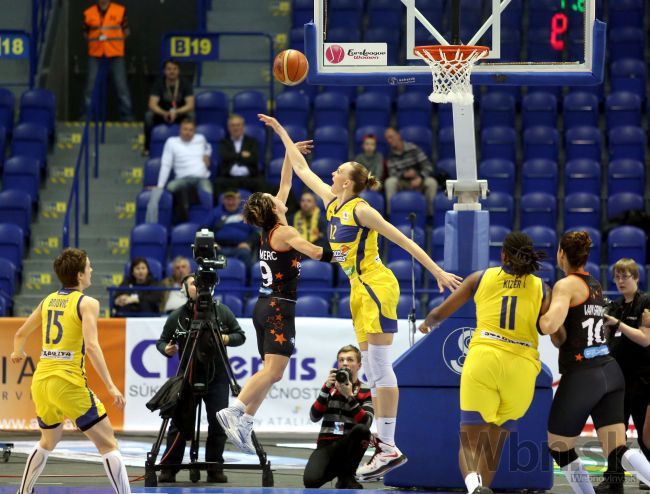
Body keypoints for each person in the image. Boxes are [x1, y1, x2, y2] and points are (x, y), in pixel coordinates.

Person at [260, 113, 462, 481]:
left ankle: (387, 444)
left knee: (380, 366)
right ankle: (385, 444)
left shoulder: (361, 210)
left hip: (376, 284)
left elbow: (403, 240)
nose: (332, 174)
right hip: (359, 287)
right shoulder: (331, 201)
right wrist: (280, 131)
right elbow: (302, 168)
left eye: (338, 171)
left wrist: (436, 270)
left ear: (349, 182)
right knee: (372, 368)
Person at [216, 137, 343, 455]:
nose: (279, 197)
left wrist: (291, 154)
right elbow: (315, 252)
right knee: (272, 371)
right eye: (274, 199)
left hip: (265, 305)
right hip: (278, 308)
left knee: (273, 372)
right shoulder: (285, 232)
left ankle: (245, 420)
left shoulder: (269, 229)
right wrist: (345, 253)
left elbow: (286, 182)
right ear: (274, 209)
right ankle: (235, 410)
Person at [419, 232, 550, 494]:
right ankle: (482, 489)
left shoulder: (480, 278)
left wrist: (426, 325)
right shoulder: (542, 287)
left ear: (503, 255)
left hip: (484, 358)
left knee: (469, 441)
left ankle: (472, 487)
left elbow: (438, 313)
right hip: (522, 366)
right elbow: (551, 329)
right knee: (493, 443)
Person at [11, 248, 130, 494]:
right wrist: (110, 385)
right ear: (79, 275)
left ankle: (23, 492)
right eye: (89, 266)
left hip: (42, 382)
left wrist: (16, 352)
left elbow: (20, 334)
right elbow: (93, 346)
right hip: (67, 382)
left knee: (48, 441)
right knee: (109, 444)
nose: (92, 270)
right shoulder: (87, 303)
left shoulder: (48, 300)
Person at [538, 231, 650, 494]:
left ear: (562, 254)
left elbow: (549, 324)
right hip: (610, 372)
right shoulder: (595, 284)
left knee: (559, 447)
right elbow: (563, 335)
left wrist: (537, 312)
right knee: (618, 449)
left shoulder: (566, 285)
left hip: (583, 376)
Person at [155, 273, 245, 484]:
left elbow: (240, 336)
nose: (198, 287)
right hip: (187, 377)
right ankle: (170, 468)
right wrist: (165, 349)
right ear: (185, 290)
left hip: (218, 377)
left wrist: (225, 338)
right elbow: (161, 341)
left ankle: (214, 468)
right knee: (178, 422)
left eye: (201, 283)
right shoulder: (177, 315)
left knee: (219, 423)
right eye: (194, 284)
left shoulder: (221, 311)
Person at [303, 345, 373, 490]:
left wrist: (349, 396)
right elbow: (314, 416)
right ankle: (340, 471)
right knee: (310, 481)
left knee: (362, 431)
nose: (345, 363)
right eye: (341, 360)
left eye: (349, 359)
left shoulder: (366, 390)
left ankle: (347, 476)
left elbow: (366, 423)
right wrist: (325, 389)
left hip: (348, 443)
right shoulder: (330, 388)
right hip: (327, 445)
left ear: (359, 365)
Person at [150, 118, 212, 224]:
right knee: (170, 187)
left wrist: (207, 154)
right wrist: (160, 186)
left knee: (208, 194)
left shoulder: (200, 138)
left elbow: (208, 147)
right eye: (185, 129)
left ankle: (208, 225)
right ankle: (182, 220)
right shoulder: (171, 142)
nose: (188, 132)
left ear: (194, 131)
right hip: (182, 179)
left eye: (191, 130)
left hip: (201, 178)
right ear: (180, 130)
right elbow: (166, 164)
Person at [82, 0, 133, 121]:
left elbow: (126, 31)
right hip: (96, 54)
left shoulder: (120, 10)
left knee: (121, 87)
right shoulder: (89, 13)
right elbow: (85, 32)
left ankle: (127, 116)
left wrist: (115, 42)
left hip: (115, 53)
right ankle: (87, 115)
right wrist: (94, 41)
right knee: (91, 86)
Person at [144, 60, 195, 155]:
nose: (172, 72)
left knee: (191, 116)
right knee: (148, 116)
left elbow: (190, 105)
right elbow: (152, 104)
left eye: (175, 69)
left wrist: (176, 112)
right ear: (164, 71)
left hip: (179, 114)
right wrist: (164, 113)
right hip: (162, 114)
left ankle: (191, 146)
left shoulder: (185, 83)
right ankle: (147, 147)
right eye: (169, 69)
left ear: (178, 71)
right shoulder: (158, 83)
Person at [383, 127, 437, 215]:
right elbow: (392, 172)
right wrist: (404, 175)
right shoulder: (390, 155)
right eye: (387, 139)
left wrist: (420, 177)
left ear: (398, 136)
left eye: (391, 137)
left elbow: (427, 166)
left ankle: (430, 215)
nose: (389, 140)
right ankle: (391, 215)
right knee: (390, 182)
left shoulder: (413, 149)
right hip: (402, 182)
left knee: (432, 183)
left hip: (419, 179)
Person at [202, 190, 257, 267]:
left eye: (233, 199)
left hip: (241, 248)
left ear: (238, 200)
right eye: (228, 199)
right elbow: (203, 229)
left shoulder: (247, 213)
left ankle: (247, 279)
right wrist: (211, 242)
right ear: (223, 200)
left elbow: (256, 232)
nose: (231, 203)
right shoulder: (215, 213)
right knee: (209, 255)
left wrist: (248, 243)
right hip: (220, 247)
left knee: (245, 255)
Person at [215, 114, 265, 197]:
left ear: (243, 126)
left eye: (238, 125)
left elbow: (254, 159)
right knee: (218, 183)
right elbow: (224, 157)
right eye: (233, 125)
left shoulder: (252, 142)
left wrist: (233, 157)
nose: (235, 128)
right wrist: (242, 155)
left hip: (249, 178)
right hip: (229, 178)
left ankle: (260, 209)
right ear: (228, 128)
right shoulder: (224, 142)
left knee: (261, 184)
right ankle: (218, 209)